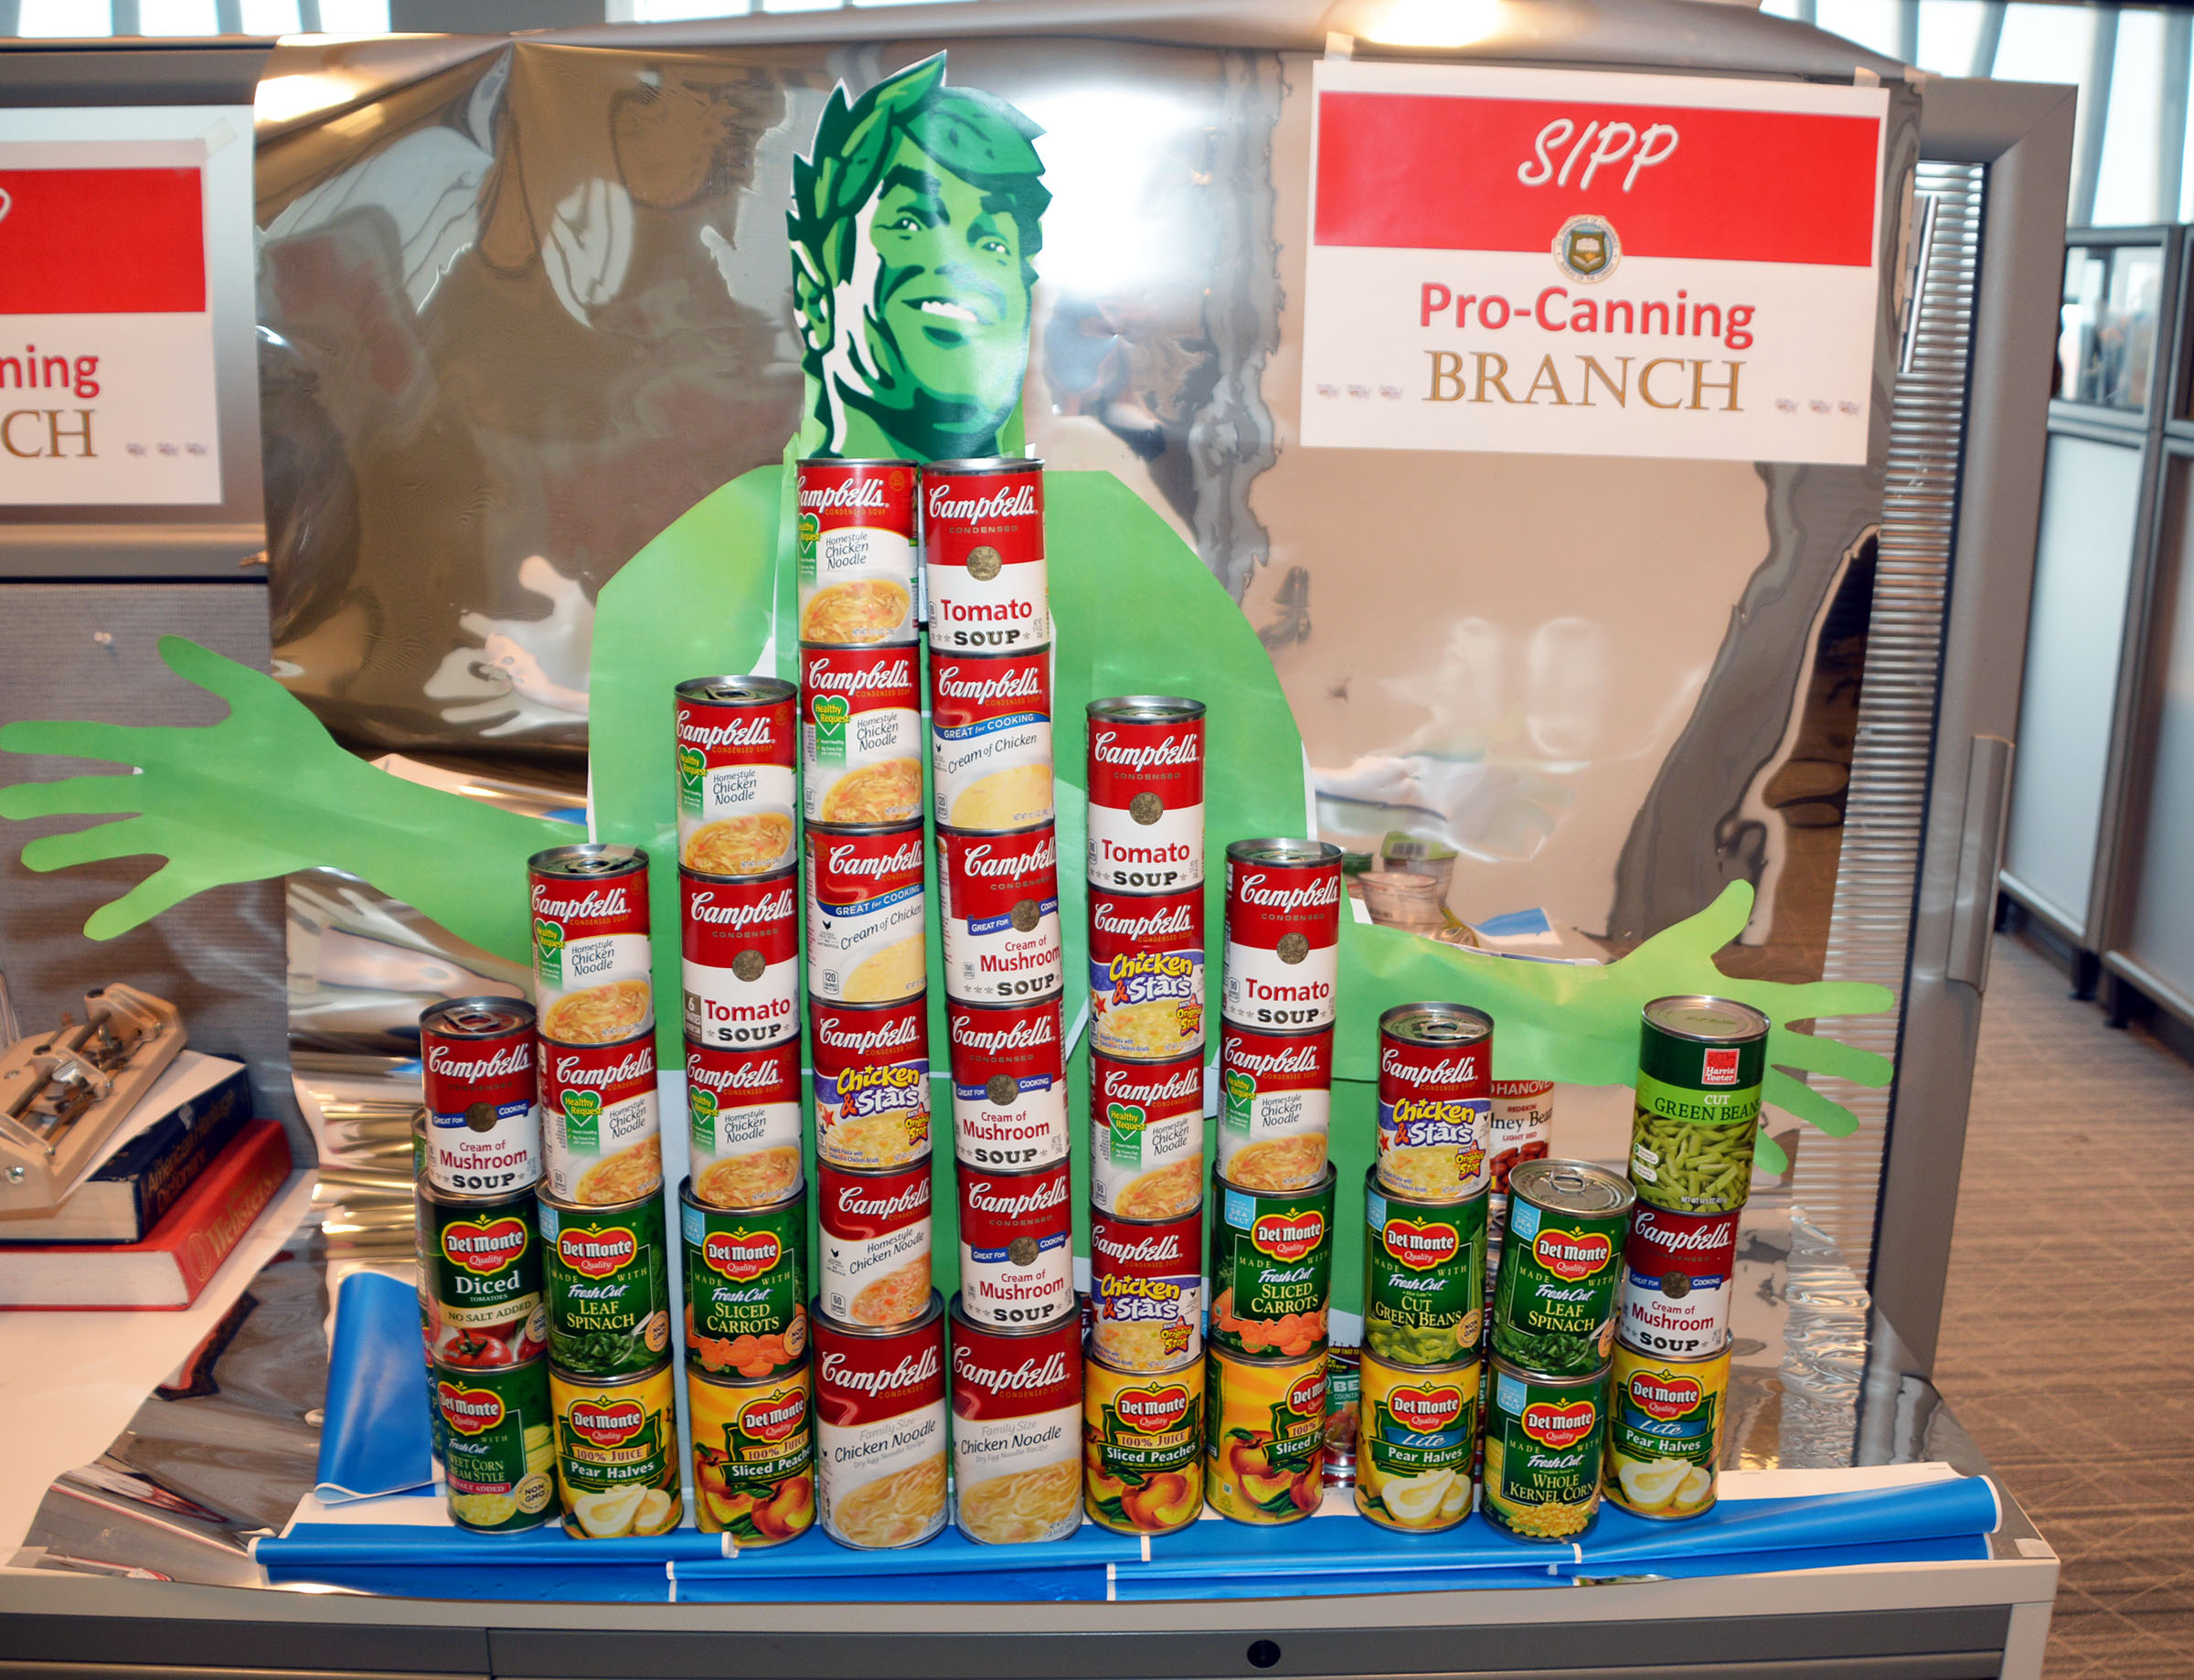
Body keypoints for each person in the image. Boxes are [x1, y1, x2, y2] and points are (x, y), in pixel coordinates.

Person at [0, 57, 1890, 1141]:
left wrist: (1537, 1018)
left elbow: (1243, 942)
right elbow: (653, 929)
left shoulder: (1119, 552)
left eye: (987, 234)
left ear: (1032, 278)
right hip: (792, 1231)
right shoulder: (726, 560)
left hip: (1120, 1222)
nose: (946, 270)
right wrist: (346, 806)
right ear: (821, 267)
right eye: (901, 223)